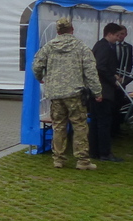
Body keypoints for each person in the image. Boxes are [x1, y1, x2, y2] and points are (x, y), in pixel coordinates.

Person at [31, 17, 103, 171]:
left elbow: (36, 65)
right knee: (80, 126)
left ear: (57, 31)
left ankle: (58, 159)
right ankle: (82, 160)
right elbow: (90, 71)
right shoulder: (81, 47)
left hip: (56, 94)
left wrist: (40, 77)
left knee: (58, 126)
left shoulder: (48, 47)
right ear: (72, 29)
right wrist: (97, 91)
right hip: (75, 93)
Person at [89, 23, 125, 162]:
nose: (118, 38)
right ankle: (104, 152)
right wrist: (113, 79)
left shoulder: (100, 45)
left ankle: (94, 151)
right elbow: (100, 67)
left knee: (96, 122)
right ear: (109, 34)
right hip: (103, 90)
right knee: (103, 122)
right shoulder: (104, 47)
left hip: (97, 89)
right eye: (117, 35)